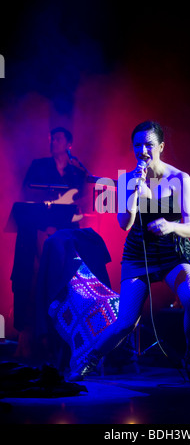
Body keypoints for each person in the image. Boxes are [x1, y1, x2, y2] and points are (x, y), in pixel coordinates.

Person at [69, 120, 190, 384]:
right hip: (138, 254)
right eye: (137, 145)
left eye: (149, 145)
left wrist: (170, 226)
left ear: (161, 147)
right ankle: (88, 361)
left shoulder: (180, 179)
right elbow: (124, 224)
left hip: (173, 253)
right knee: (126, 323)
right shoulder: (126, 180)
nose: (142, 150)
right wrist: (134, 191)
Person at [11, 127, 88, 359]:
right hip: (36, 231)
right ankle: (30, 342)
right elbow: (27, 197)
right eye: (51, 139)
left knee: (61, 284)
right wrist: (45, 224)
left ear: (69, 144)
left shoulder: (77, 174)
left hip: (63, 234)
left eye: (58, 138)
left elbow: (80, 207)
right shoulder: (38, 166)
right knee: (32, 282)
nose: (53, 142)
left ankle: (60, 343)